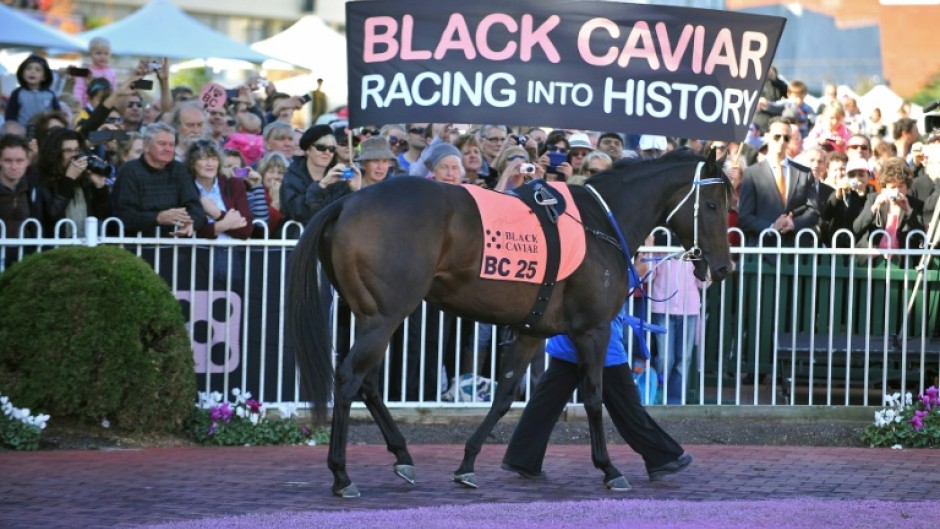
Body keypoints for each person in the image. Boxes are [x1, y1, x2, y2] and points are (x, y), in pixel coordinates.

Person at [501, 305, 692, 482]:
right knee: (628, 406)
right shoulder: (608, 269)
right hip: (600, 344)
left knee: (546, 401)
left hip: (570, 339)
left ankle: (522, 458)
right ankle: (662, 457)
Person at [112, 122, 207, 237]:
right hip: (139, 246)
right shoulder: (130, 170)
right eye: (162, 144)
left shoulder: (179, 170)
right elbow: (124, 215)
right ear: (146, 146)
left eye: (171, 145)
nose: (168, 149)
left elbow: (196, 209)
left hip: (177, 245)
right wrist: (157, 217)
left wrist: (191, 223)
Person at [737, 118, 819, 247]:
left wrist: (794, 223)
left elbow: (813, 211)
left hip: (795, 251)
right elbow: (745, 217)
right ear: (767, 136)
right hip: (763, 251)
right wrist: (771, 227)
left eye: (786, 138)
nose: (781, 141)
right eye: (777, 136)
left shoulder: (804, 173)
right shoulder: (752, 173)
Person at [31, 127, 111, 237]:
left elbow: (105, 218)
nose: (74, 155)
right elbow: (52, 218)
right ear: (55, 154)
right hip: (56, 250)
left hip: (86, 248)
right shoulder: (43, 181)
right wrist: (68, 181)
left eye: (77, 150)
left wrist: (100, 187)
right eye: (68, 150)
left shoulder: (85, 180)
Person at [280, 124, 359, 227]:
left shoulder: (338, 176)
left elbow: (350, 214)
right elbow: (298, 213)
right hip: (299, 240)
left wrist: (355, 190)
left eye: (331, 149)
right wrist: (321, 186)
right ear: (308, 149)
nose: (327, 153)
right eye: (321, 147)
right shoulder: (292, 177)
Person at [853, 156, 923, 263]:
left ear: (907, 185)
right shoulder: (873, 198)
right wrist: (874, 207)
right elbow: (857, 227)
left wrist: (908, 210)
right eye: (893, 187)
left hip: (901, 260)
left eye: (901, 186)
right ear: (885, 187)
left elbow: (921, 235)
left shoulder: (914, 204)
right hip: (873, 258)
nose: (897, 190)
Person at [187, 140, 252, 241]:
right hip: (196, 253)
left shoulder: (234, 185)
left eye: (214, 159)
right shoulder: (186, 187)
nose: (210, 164)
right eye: (204, 159)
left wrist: (217, 214)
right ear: (192, 163)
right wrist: (225, 224)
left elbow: (246, 231)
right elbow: (188, 231)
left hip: (229, 253)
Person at [4, 54, 61, 127]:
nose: (32, 72)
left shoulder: (50, 95)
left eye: (38, 70)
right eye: (28, 68)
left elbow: (57, 114)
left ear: (44, 77)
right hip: (22, 132)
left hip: (44, 131)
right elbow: (10, 115)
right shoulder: (18, 93)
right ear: (22, 74)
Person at [0, 134, 34, 241]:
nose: (14, 167)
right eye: (8, 161)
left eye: (19, 161)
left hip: (26, 254)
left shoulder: (34, 189)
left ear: (28, 161)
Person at [246, 151, 287, 237]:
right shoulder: (256, 194)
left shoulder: (289, 195)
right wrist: (275, 202)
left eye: (280, 173)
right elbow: (263, 231)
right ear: (263, 174)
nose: (276, 176)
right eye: (271, 172)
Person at [72, 37, 117, 108]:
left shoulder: (111, 72)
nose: (103, 57)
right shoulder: (85, 71)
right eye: (98, 53)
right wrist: (78, 104)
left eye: (106, 54)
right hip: (87, 107)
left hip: (106, 107)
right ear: (90, 54)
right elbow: (78, 90)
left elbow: (114, 90)